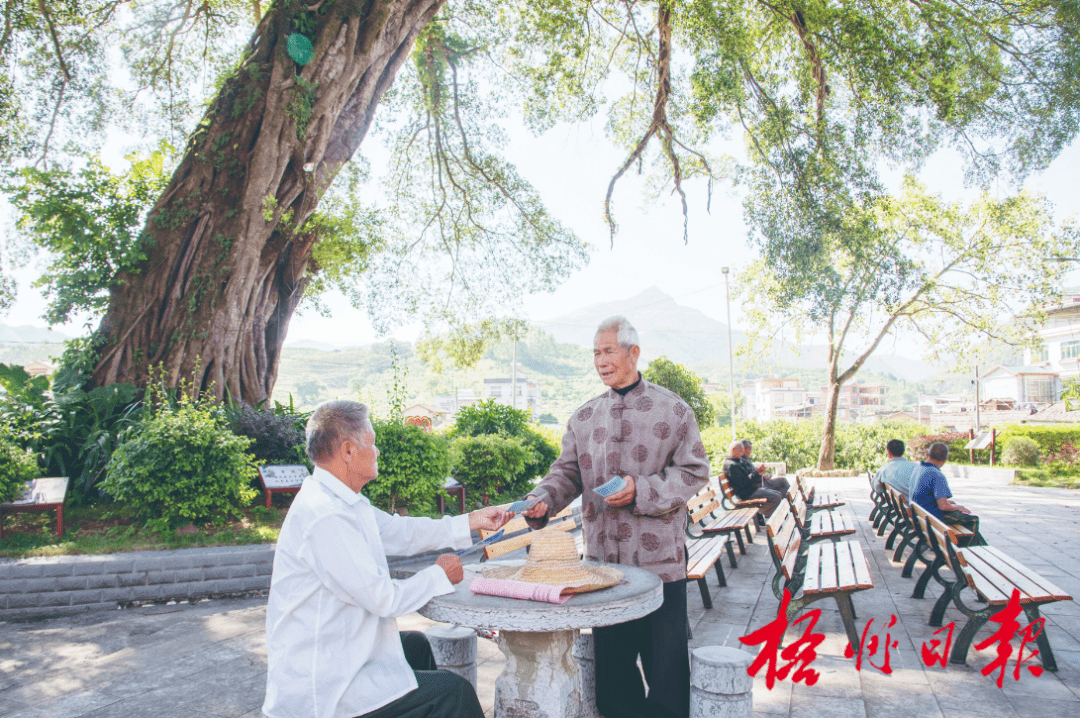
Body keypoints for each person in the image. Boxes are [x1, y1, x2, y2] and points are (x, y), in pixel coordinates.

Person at [263, 400, 513, 718]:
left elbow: (399, 531)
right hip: (323, 689)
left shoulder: (343, 501)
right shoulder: (325, 516)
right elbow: (384, 600)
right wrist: (438, 576)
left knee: (416, 647)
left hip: (339, 652)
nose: (377, 451)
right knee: (453, 692)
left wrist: (472, 520)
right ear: (348, 451)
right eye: (373, 442)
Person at [522, 315, 710, 718]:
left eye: (608, 351)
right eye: (595, 353)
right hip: (604, 571)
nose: (600, 360)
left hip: (662, 568)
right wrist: (542, 500)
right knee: (613, 685)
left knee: (668, 681)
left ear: (633, 352)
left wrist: (640, 490)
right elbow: (566, 474)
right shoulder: (584, 417)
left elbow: (695, 471)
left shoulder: (674, 410)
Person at [910, 441, 986, 545]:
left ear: (927, 454)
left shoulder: (918, 468)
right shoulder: (937, 475)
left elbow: (924, 495)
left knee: (960, 517)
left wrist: (949, 503)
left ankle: (977, 549)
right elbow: (943, 506)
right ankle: (967, 551)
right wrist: (958, 507)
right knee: (971, 520)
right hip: (932, 518)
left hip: (920, 516)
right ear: (944, 459)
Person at [722, 440, 784, 517]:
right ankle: (757, 514)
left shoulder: (736, 461)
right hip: (746, 493)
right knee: (776, 497)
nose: (742, 454)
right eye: (740, 451)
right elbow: (744, 483)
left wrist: (758, 473)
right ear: (734, 449)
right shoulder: (731, 465)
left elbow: (747, 478)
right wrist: (757, 473)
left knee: (778, 494)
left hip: (751, 489)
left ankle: (762, 515)